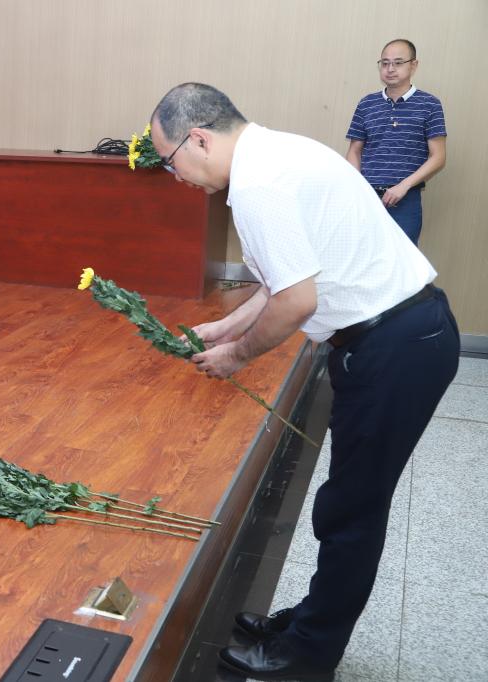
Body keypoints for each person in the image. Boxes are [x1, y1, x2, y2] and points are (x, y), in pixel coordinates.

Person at [147, 83, 459, 681]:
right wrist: (225, 326)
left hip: (393, 349)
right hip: (407, 335)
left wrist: (235, 356)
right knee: (347, 503)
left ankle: (308, 656)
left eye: (170, 160)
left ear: (199, 139)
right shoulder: (280, 151)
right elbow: (286, 276)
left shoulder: (258, 186)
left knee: (352, 513)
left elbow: (295, 302)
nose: (175, 175)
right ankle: (311, 622)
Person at [346, 39, 446, 245]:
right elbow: (354, 151)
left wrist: (403, 186)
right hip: (367, 197)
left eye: (398, 63)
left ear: (413, 65)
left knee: (402, 259)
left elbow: (438, 157)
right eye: (385, 63)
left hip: (406, 199)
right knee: (362, 254)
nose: (390, 69)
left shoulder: (430, 105)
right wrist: (358, 188)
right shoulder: (366, 104)